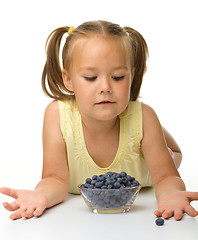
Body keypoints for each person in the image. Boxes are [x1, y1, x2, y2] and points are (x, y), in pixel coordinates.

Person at [0, 20, 197, 221]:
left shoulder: (145, 116)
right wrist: (40, 195)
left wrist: (171, 194)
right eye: (91, 77)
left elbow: (166, 177)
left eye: (118, 77)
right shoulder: (57, 115)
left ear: (132, 75)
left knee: (149, 128)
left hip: (156, 158)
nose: (105, 87)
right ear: (68, 79)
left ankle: (151, 134)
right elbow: (54, 179)